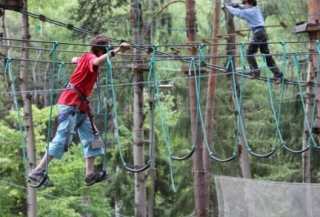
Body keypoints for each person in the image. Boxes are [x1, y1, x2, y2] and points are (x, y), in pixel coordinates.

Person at [28, 35, 131, 187]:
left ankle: (90, 174)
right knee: (63, 138)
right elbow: (97, 61)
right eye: (105, 51)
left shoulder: (84, 58)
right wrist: (118, 50)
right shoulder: (90, 58)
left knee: (94, 137)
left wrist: (75, 59)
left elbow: (74, 59)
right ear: (102, 50)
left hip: (81, 106)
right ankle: (39, 169)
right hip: (70, 103)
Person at [224, 0, 283, 83]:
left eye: (246, 3)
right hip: (262, 33)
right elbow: (245, 9)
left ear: (250, 3)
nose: (245, 5)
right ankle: (278, 74)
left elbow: (238, 13)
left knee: (249, 52)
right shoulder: (256, 8)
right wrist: (239, 6)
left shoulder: (250, 12)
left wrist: (227, 6)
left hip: (258, 34)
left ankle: (255, 71)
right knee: (266, 55)